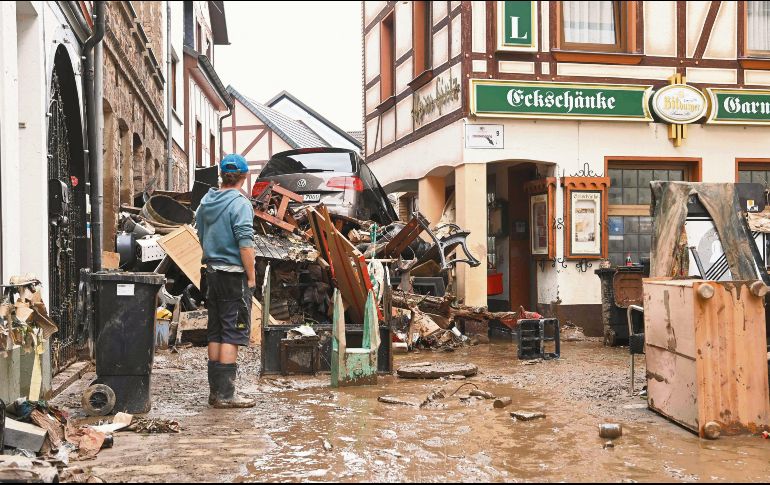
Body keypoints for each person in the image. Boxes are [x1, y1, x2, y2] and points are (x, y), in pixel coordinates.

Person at [196, 153, 256, 409]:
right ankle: (226, 395)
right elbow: (245, 244)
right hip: (232, 275)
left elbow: (200, 231)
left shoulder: (206, 201)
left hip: (211, 273)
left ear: (222, 175)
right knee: (232, 331)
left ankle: (215, 393)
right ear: (244, 177)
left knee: (216, 330)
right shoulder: (240, 204)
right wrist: (251, 276)